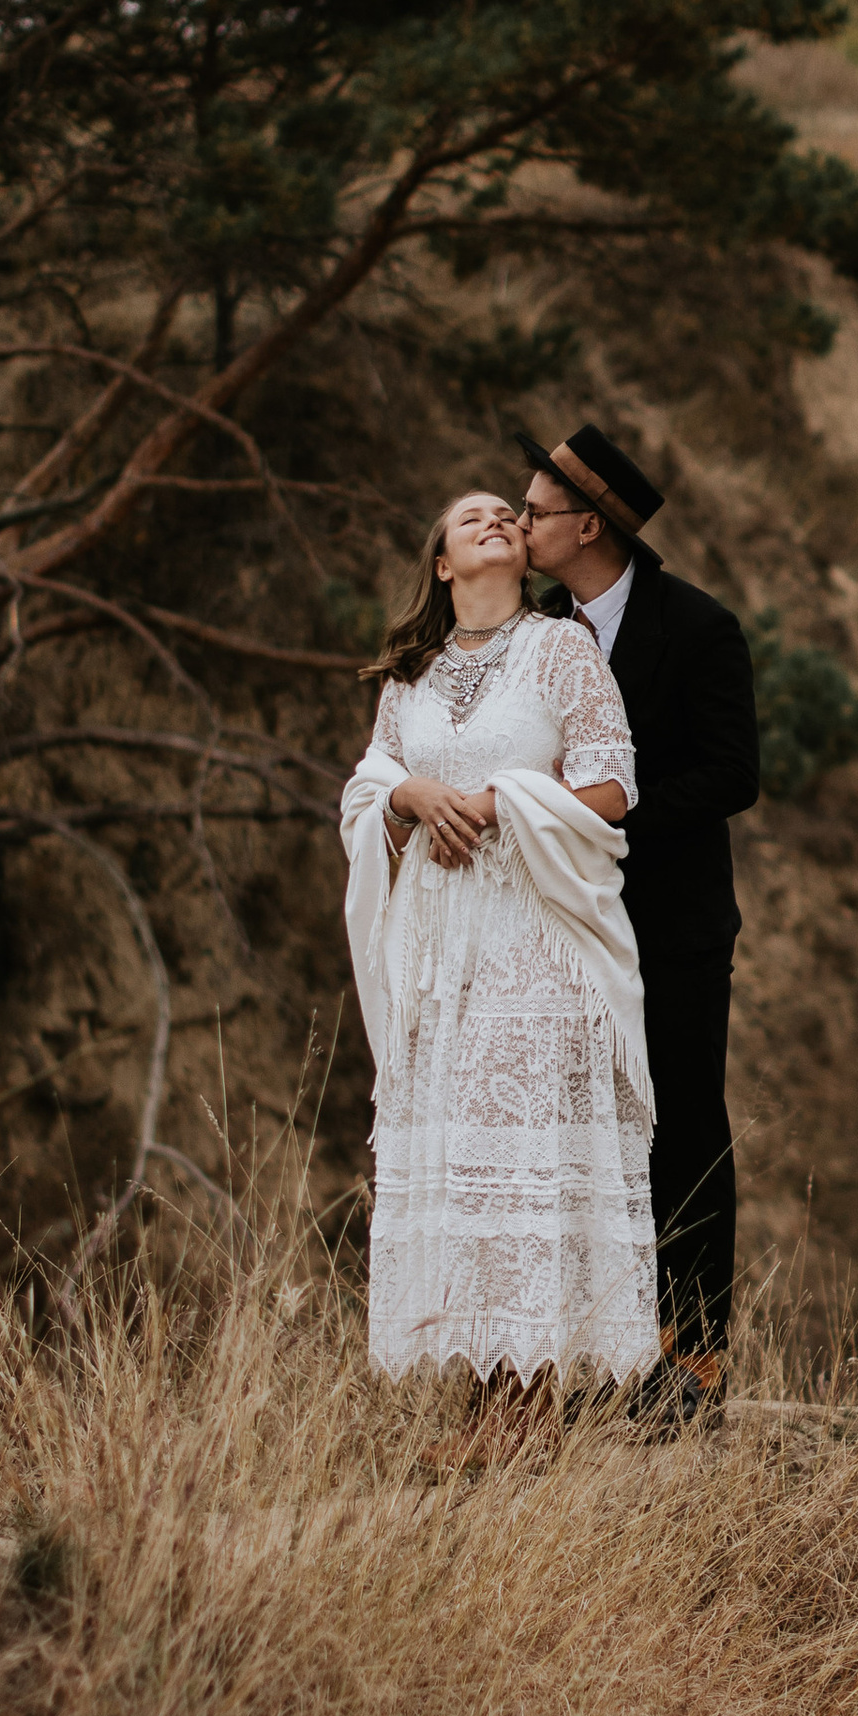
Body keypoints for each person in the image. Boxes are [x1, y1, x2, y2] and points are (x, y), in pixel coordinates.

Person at [337, 488, 658, 1422]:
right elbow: (368, 791)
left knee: (523, 1161)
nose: (495, 518)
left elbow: (612, 786)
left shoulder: (562, 649)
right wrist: (410, 798)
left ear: (522, 553)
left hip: (534, 937)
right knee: (463, 1163)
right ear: (443, 564)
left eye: (505, 515)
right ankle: (486, 1401)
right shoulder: (410, 678)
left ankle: (529, 1410)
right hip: (439, 950)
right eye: (469, 515)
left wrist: (493, 800)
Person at [517, 424, 759, 1426]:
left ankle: (689, 1360)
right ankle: (597, 1355)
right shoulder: (535, 631)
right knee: (583, 1141)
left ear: (588, 525)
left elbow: (731, 773)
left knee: (682, 1130)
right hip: (564, 932)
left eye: (535, 512)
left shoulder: (697, 627)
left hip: (672, 926)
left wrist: (607, 822)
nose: (520, 525)